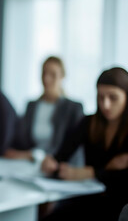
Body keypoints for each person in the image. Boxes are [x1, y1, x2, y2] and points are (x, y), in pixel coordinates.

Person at [41, 67, 128, 221]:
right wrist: (52, 161)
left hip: (119, 205)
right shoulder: (89, 122)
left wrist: (90, 172)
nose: (106, 105)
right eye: (101, 97)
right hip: (89, 199)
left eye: (113, 98)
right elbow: (62, 154)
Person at [6, 56, 84, 164]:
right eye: (44, 73)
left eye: (53, 74)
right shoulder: (31, 106)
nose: (46, 79)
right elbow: (22, 141)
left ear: (62, 77)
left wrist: (34, 155)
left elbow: (71, 148)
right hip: (29, 163)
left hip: (57, 166)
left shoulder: (73, 108)